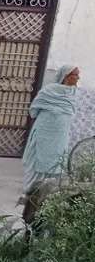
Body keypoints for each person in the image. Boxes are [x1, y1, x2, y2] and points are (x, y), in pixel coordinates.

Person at [21, 64, 80, 225]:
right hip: (45, 131)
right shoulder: (49, 91)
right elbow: (34, 110)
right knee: (39, 158)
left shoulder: (73, 93)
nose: (78, 78)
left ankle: (50, 190)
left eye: (78, 74)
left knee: (57, 159)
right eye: (75, 75)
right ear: (66, 76)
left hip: (60, 134)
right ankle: (31, 190)